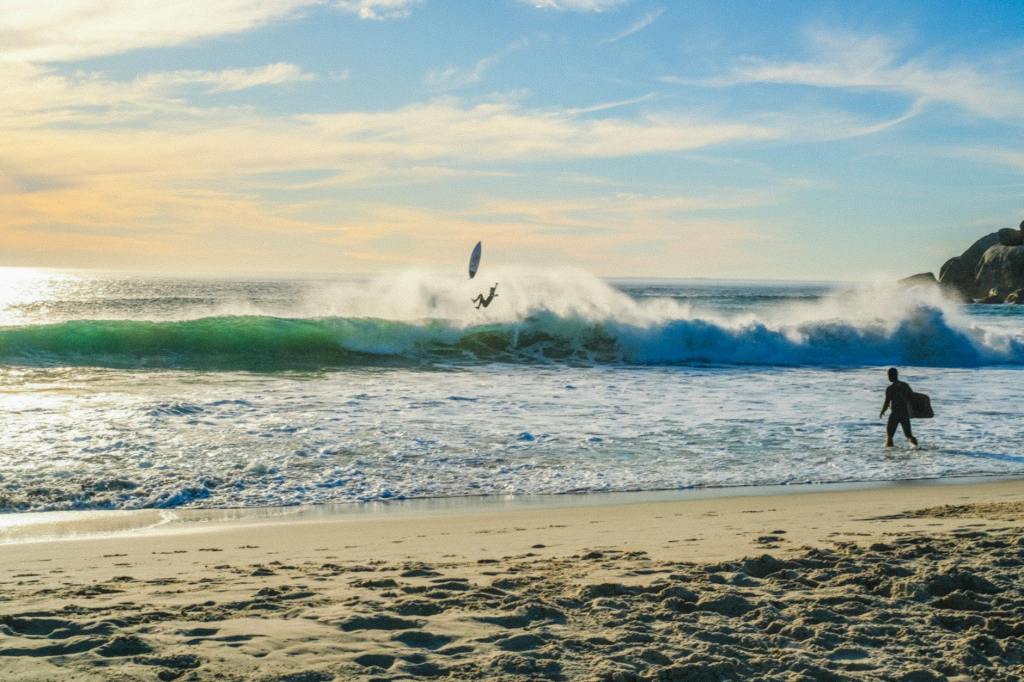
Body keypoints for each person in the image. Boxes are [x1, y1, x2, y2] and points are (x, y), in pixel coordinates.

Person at [879, 367, 918, 448]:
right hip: (905, 413)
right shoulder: (905, 386)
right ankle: (916, 447)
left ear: (891, 376)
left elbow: (887, 402)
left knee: (890, 436)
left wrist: (882, 411)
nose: (888, 377)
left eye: (889, 375)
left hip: (895, 414)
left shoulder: (890, 388)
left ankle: (889, 452)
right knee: (909, 435)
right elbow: (912, 398)